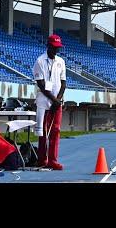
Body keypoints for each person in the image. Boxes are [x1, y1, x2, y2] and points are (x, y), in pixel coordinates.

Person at [33, 34, 66, 170]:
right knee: (43, 131)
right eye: (54, 47)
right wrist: (53, 100)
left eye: (58, 48)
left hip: (57, 101)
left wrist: (58, 100)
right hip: (43, 100)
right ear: (48, 46)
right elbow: (40, 84)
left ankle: (53, 160)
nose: (56, 50)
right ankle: (42, 159)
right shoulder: (40, 61)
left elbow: (63, 83)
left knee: (56, 130)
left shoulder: (61, 62)